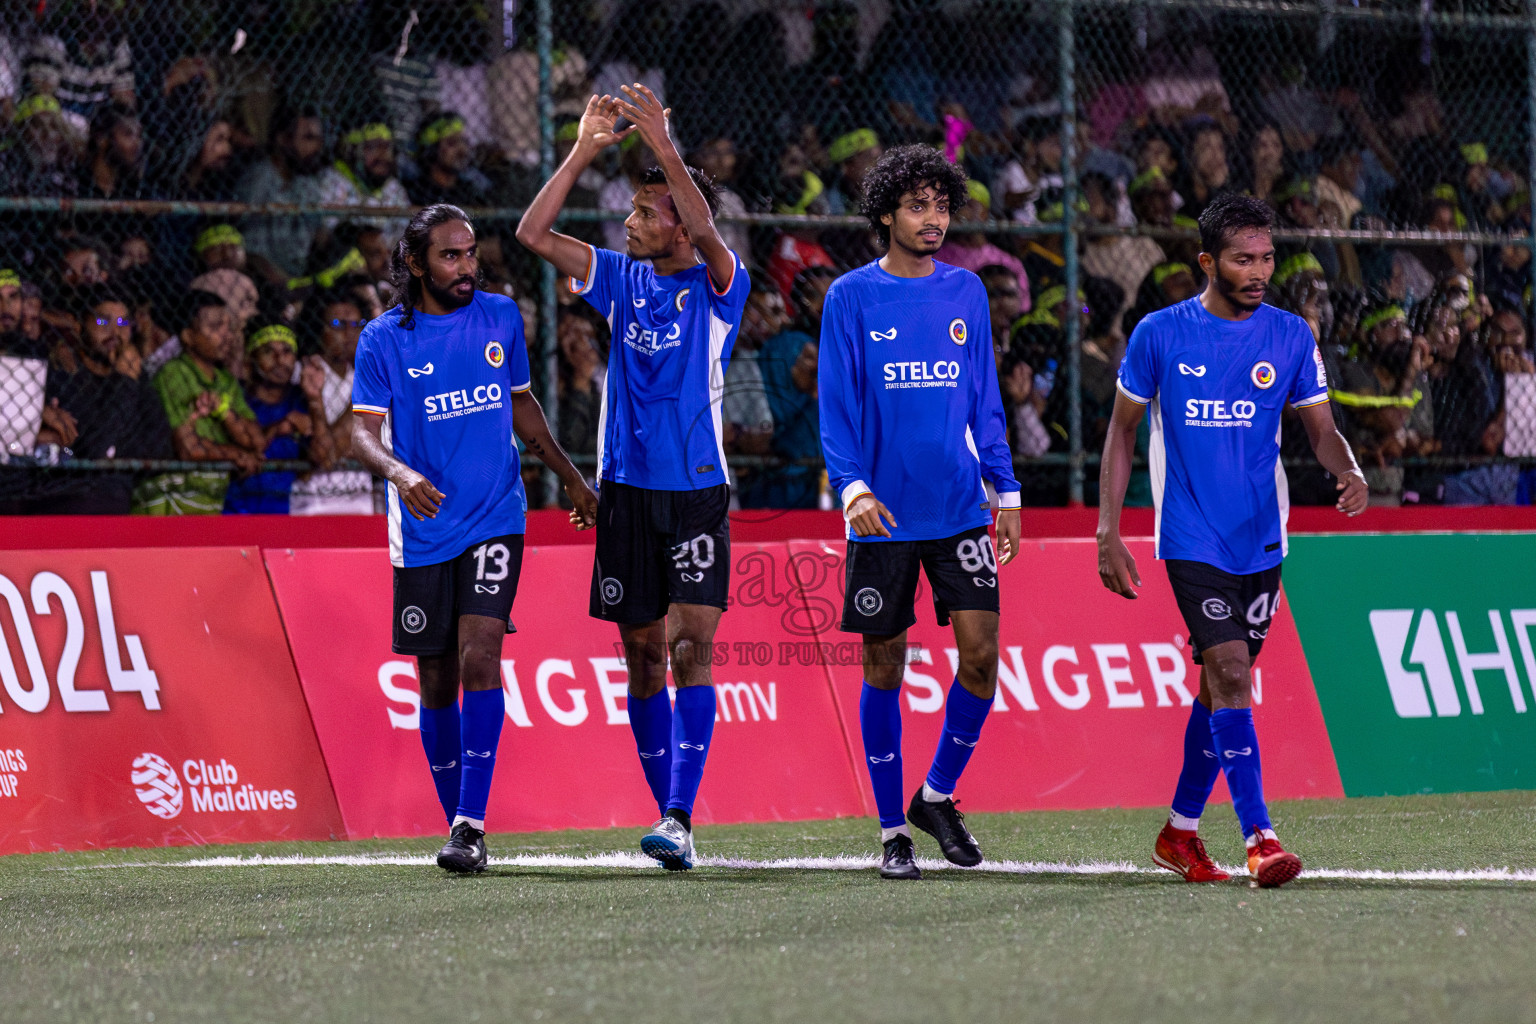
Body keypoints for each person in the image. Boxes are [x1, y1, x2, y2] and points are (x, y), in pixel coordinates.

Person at [1096, 193, 1369, 889]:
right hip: (1190, 536)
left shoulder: (1290, 336)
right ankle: (1260, 838)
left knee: (1221, 690)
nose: (1259, 271)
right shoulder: (1160, 334)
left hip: (1263, 540)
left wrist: (1349, 470)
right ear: (1207, 262)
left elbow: (1320, 430)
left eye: (1267, 257)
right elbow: (1123, 430)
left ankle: (1180, 831)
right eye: (1244, 259)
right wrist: (1108, 528)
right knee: (1228, 674)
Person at [515, 86, 750, 872]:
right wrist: (585, 149)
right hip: (624, 493)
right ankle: (667, 818)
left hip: (694, 491)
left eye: (647, 212)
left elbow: (711, 230)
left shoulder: (722, 284)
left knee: (690, 650)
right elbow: (531, 231)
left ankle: (680, 815)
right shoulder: (620, 278)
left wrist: (664, 148)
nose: (630, 221)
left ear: (681, 223)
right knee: (643, 658)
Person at [350, 204, 596, 874]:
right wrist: (399, 473)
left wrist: (570, 477)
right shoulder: (383, 340)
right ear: (414, 262)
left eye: (470, 253)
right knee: (435, 677)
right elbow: (360, 431)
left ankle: (469, 822)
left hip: (496, 515)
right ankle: (459, 824)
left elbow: (520, 402)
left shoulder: (499, 316)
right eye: (450, 256)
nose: (466, 267)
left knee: (480, 654)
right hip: (425, 527)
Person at [818, 145, 1022, 881]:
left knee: (981, 658)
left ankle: (936, 795)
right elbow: (836, 407)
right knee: (885, 663)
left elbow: (985, 401)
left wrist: (1008, 492)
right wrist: (851, 487)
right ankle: (892, 831)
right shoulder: (850, 297)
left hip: (962, 509)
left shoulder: (966, 291)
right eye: (917, 206)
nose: (933, 218)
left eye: (941, 206)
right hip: (881, 518)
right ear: (885, 215)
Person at [150, 290, 266, 515]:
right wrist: (235, 453)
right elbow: (188, 447)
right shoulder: (174, 374)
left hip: (208, 501)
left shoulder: (226, 381)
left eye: (228, 327)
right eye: (215, 328)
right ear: (188, 336)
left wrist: (224, 411)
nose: (227, 336)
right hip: (171, 500)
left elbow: (257, 442)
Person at [225, 323, 334, 515]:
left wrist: (315, 400)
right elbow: (243, 459)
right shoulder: (236, 398)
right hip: (236, 509)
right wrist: (278, 429)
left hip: (286, 512)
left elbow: (324, 457)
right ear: (252, 358)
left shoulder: (299, 398)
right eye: (268, 351)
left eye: (287, 351)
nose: (279, 360)